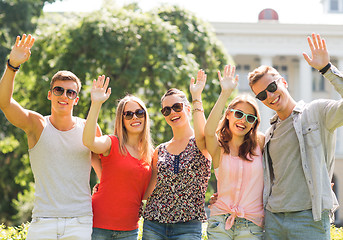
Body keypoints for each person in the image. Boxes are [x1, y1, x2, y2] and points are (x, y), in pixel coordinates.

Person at [0, 34, 101, 239]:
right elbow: (4, 103)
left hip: (80, 222)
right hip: (43, 221)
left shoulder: (89, 128)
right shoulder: (37, 125)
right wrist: (12, 66)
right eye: (58, 90)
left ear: (76, 99)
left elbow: (103, 173)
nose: (64, 96)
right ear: (50, 94)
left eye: (70, 93)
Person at [248, 33, 343, 239]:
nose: (270, 96)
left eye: (272, 87)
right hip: (273, 219)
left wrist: (327, 69)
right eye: (262, 95)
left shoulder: (316, 112)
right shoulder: (269, 133)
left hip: (310, 218)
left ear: (283, 81)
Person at [142, 70, 211, 240]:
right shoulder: (160, 150)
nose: (172, 112)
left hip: (188, 226)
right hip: (154, 223)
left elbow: (204, 135)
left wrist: (196, 96)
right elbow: (147, 191)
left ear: (187, 109)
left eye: (177, 107)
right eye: (166, 110)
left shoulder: (201, 144)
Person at [82, 75, 154, 240]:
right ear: (121, 120)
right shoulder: (111, 143)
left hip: (129, 230)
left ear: (145, 116)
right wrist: (96, 104)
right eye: (128, 114)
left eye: (139, 112)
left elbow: (145, 193)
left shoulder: (151, 153)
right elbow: (88, 141)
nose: (134, 117)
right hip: (99, 226)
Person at [204, 64, 264, 239]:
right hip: (220, 222)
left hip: (252, 225)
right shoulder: (218, 149)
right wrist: (225, 93)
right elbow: (208, 131)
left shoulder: (260, 143)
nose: (243, 120)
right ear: (228, 114)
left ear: (254, 123)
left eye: (250, 118)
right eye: (238, 114)